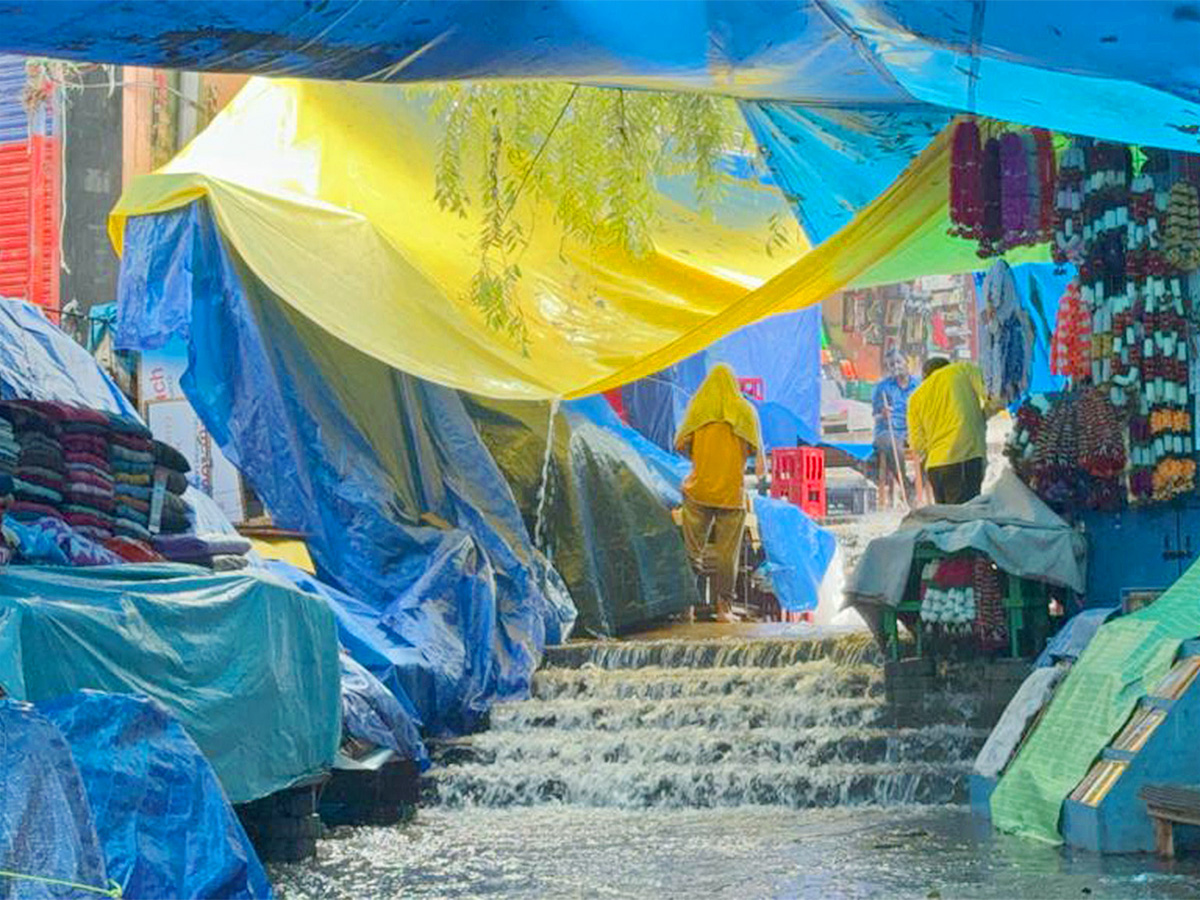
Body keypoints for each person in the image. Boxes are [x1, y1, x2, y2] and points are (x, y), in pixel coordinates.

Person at [674, 364, 763, 623]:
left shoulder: (698, 408)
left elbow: (680, 444)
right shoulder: (745, 411)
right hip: (730, 494)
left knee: (692, 551)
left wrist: (700, 456)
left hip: (698, 490)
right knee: (727, 554)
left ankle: (686, 607)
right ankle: (723, 609)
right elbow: (754, 453)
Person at [908, 357, 993, 505]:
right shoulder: (963, 370)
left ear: (925, 376)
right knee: (965, 522)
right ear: (948, 366)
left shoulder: (915, 397)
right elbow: (994, 397)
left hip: (935, 468)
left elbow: (917, 445)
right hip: (964, 459)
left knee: (947, 522)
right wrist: (982, 416)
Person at [872, 348, 917, 508]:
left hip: (912, 430)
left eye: (898, 362)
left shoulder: (918, 385)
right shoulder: (882, 387)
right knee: (893, 446)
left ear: (907, 362)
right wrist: (882, 412)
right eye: (891, 364)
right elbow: (875, 413)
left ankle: (918, 485)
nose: (895, 367)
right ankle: (906, 485)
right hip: (888, 431)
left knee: (935, 448)